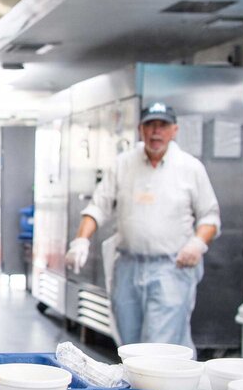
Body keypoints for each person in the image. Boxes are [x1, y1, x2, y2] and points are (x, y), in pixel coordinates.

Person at [64, 102, 219, 349]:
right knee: (129, 346)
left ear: (174, 130)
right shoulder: (123, 164)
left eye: (163, 125)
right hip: (127, 267)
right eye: (150, 125)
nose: (156, 132)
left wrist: (197, 243)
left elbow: (210, 217)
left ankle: (158, 388)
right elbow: (97, 206)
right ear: (140, 129)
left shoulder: (190, 168)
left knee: (159, 347)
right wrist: (81, 240)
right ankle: (137, 388)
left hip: (171, 268)